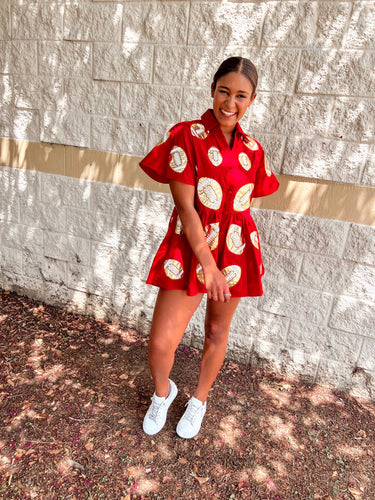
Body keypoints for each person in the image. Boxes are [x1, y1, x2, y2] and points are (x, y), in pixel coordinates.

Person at [139, 56, 279, 439]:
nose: (230, 103)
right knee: (162, 341)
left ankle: (199, 399)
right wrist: (207, 264)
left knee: (217, 331)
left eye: (241, 96)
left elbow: (246, 202)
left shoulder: (253, 149)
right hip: (190, 249)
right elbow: (186, 207)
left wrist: (224, 258)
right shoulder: (187, 135)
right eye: (224, 91)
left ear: (252, 99)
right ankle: (163, 394)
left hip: (234, 252)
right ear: (212, 89)